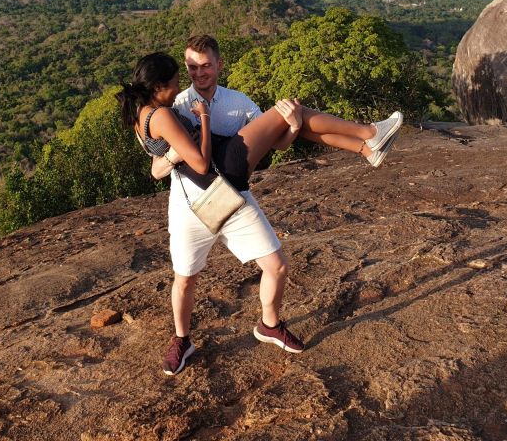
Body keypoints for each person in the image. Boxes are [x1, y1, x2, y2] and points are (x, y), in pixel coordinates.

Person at [116, 38, 402, 376]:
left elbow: (276, 144)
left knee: (276, 262)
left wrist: (293, 127)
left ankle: (269, 324)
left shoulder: (236, 103)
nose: (197, 74)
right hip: (196, 195)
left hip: (231, 187)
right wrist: (182, 145)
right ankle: (369, 137)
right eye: (190, 69)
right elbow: (157, 168)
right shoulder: (174, 104)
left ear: (219, 64)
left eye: (205, 65)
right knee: (184, 279)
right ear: (161, 86)